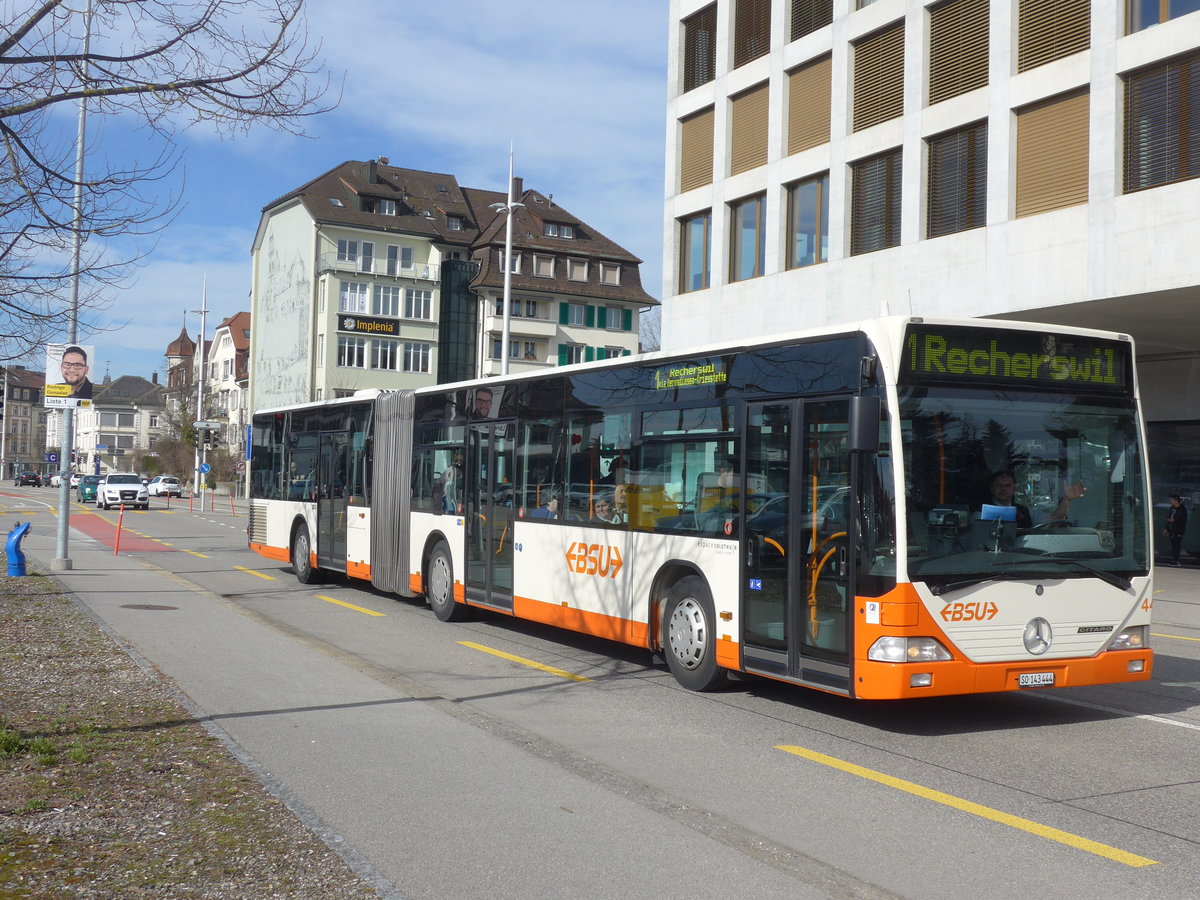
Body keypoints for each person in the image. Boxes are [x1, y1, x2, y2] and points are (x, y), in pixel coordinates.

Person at [986, 470, 1084, 528]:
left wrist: (1067, 499)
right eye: (998, 485)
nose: (1003, 489)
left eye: (1007, 486)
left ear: (1013, 489)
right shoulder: (980, 512)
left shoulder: (1024, 512)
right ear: (991, 488)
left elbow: (1055, 518)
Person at [1165, 494, 1188, 566]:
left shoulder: (1182, 509)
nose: (1171, 501)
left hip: (1178, 530)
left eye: (1172, 500)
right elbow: (1169, 518)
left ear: (1176, 500)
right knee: (1173, 545)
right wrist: (1166, 528)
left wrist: (1174, 520)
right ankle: (1174, 560)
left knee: (1177, 545)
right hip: (1172, 529)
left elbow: (1183, 519)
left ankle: (1177, 561)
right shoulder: (1172, 508)